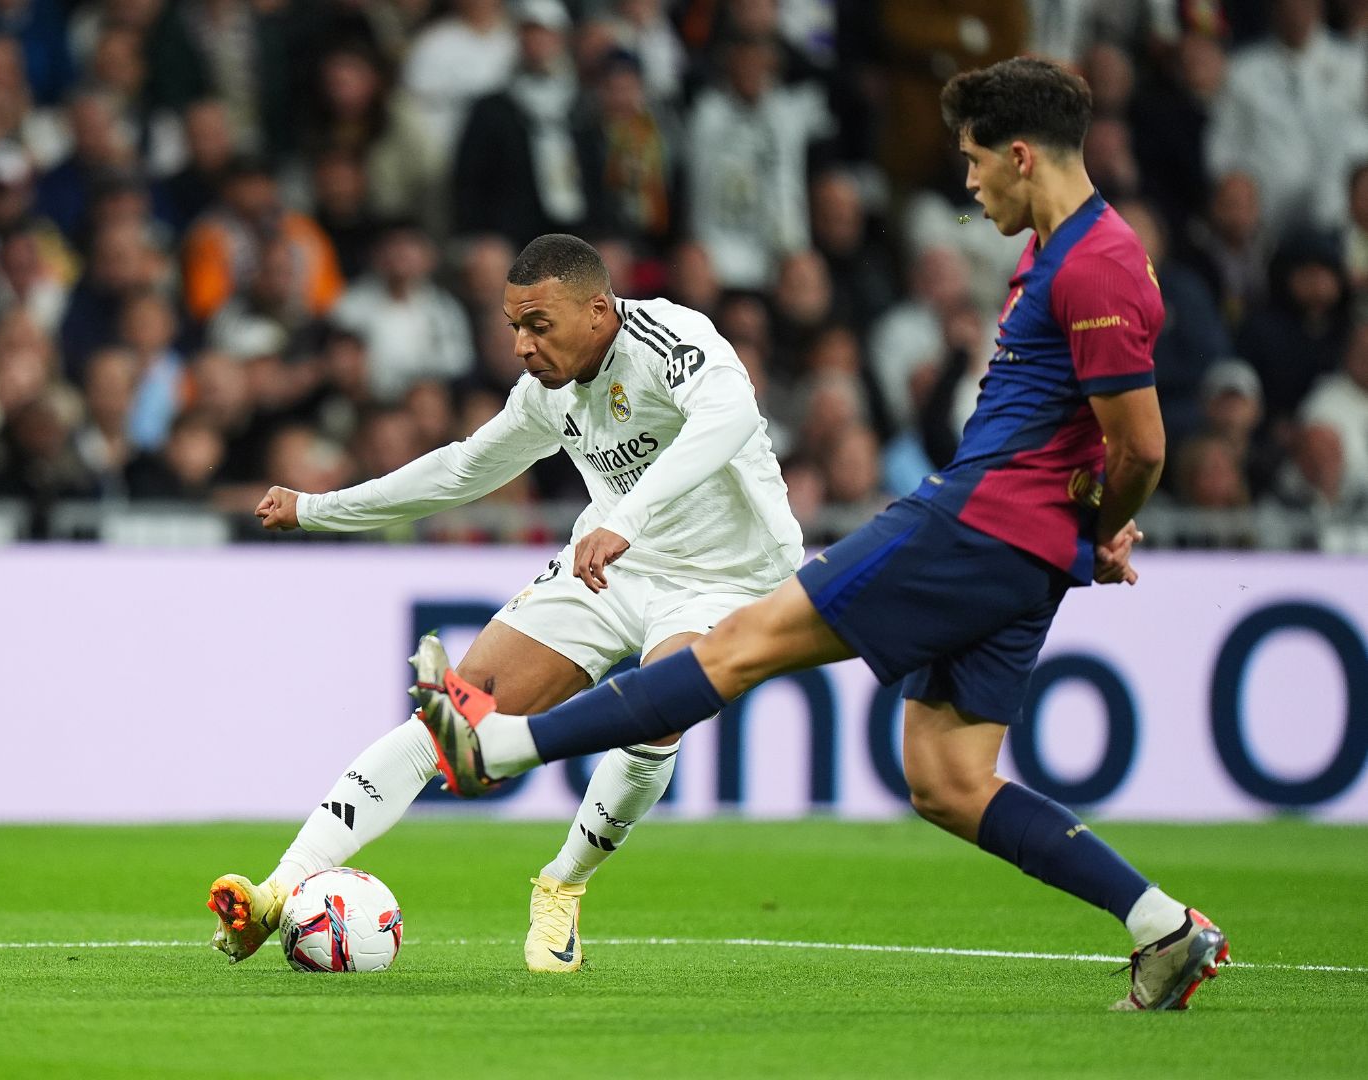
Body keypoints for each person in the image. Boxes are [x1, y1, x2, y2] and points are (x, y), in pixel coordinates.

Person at [409, 58, 1229, 1012]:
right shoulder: (1059, 253)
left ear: (1018, 154)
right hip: (1017, 546)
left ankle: (498, 750)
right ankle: (1163, 928)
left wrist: (1101, 524)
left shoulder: (1096, 265)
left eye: (972, 163)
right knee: (949, 781)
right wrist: (1079, 529)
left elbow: (1141, 443)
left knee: (734, 646)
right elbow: (1083, 435)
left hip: (970, 525)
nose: (966, 184)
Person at [208, 233, 803, 974]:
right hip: (614, 566)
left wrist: (625, 518)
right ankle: (277, 892)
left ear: (596, 310)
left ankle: (563, 883)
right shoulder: (545, 395)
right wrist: (320, 509)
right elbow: (460, 471)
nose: (521, 346)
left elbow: (731, 416)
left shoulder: (668, 337)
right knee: (452, 717)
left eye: (538, 325)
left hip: (730, 576)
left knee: (661, 705)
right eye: (513, 327)